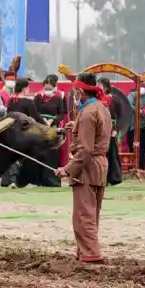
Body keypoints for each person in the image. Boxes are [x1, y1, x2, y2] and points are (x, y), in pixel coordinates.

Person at [56, 73, 110, 263]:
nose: (74, 94)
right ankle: (87, 252)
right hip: (100, 165)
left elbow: (85, 150)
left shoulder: (87, 114)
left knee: (83, 214)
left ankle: (91, 255)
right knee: (92, 212)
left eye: (75, 91)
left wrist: (67, 169)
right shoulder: (100, 107)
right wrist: (76, 125)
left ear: (80, 91)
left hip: (87, 168)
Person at [100, 77, 124, 187]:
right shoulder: (97, 100)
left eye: (100, 86)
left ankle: (113, 178)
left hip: (112, 130)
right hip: (100, 130)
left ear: (106, 87)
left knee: (112, 154)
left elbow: (121, 117)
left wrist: (116, 130)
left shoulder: (116, 99)